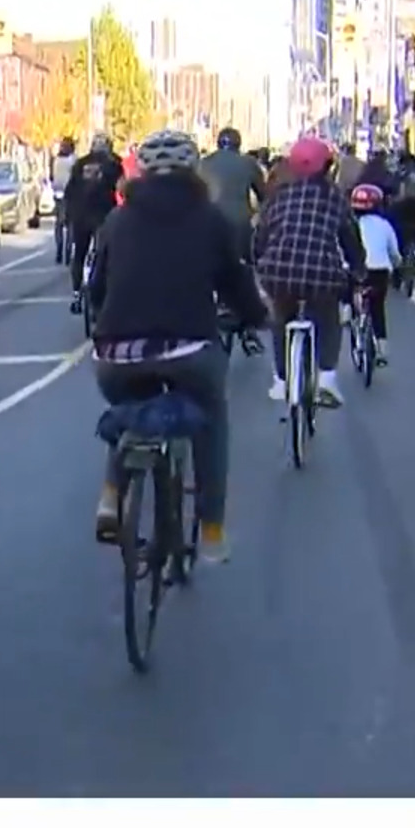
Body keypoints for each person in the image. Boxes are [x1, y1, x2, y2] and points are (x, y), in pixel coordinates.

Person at [88, 130, 268, 564]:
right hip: (189, 351)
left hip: (116, 354)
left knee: (132, 407)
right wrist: (256, 317)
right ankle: (210, 530)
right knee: (211, 420)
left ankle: (111, 496)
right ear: (195, 172)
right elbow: (235, 283)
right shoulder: (210, 219)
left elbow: (96, 289)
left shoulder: (117, 220)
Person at [253, 135, 365, 409]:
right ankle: (327, 379)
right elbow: (349, 237)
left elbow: (261, 235)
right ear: (328, 167)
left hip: (278, 271)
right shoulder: (334, 197)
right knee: (328, 318)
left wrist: (258, 260)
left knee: (280, 319)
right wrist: (359, 269)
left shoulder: (279, 196)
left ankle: (280, 380)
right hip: (322, 272)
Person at [63, 133, 126, 309]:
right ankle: (103, 291)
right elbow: (123, 189)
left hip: (80, 215)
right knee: (104, 254)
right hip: (103, 216)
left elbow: (70, 191)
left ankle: (76, 294)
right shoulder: (114, 165)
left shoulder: (80, 164)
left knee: (80, 255)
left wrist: (68, 216)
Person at [199, 126, 268, 265]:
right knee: (248, 265)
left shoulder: (203, 164)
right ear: (239, 144)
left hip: (209, 226)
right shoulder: (248, 163)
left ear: (217, 143)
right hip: (240, 226)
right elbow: (263, 195)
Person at [349, 183, 400, 366]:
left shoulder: (350, 224)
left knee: (350, 296)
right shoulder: (385, 225)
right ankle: (382, 350)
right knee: (377, 308)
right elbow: (394, 253)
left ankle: (349, 314)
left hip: (356, 269)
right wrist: (397, 265)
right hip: (380, 271)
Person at [50, 136, 78, 263]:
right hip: (71, 196)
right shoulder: (73, 160)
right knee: (70, 225)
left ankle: (59, 251)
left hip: (58, 194)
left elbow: (52, 177)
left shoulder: (56, 160)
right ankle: (67, 253)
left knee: (59, 224)